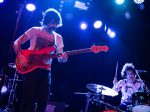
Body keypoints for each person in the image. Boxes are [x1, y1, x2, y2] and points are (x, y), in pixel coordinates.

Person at [13, 8, 68, 112]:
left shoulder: (58, 38)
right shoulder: (34, 30)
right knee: (28, 103)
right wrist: (21, 58)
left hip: (46, 72)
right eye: (52, 23)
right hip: (31, 70)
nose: (54, 26)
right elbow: (16, 43)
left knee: (42, 104)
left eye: (56, 24)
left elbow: (60, 59)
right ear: (46, 20)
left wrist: (64, 58)